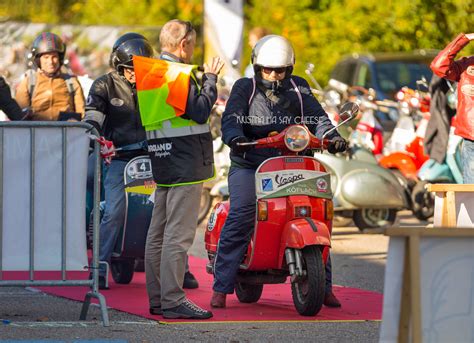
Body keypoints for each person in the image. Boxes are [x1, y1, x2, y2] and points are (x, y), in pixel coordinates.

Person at [210, 35, 347, 309]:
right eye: (267, 69)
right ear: (257, 66)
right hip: (252, 163)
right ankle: (222, 286)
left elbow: (317, 117)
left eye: (280, 70)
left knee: (316, 212)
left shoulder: (299, 88)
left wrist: (332, 136)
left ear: (290, 69)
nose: (273, 75)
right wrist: (235, 136)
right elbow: (233, 117)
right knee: (243, 211)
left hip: (293, 162)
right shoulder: (244, 87)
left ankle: (324, 284)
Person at [144, 19, 224, 320]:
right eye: (191, 43)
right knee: (177, 236)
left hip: (163, 160)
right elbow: (200, 110)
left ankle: (158, 298)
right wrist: (211, 78)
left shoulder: (151, 72)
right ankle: (173, 299)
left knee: (159, 234)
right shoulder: (175, 73)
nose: (192, 49)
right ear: (183, 44)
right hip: (185, 163)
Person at [83, 32, 155, 289]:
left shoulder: (157, 86)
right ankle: (99, 268)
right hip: (119, 159)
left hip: (153, 159)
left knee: (164, 213)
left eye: (140, 67)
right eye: (129, 68)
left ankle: (174, 271)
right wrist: (93, 131)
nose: (136, 73)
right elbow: (92, 118)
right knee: (114, 211)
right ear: (118, 66)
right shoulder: (103, 85)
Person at [431, 32, 474, 183]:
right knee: (471, 189)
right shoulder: (467, 65)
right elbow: (439, 66)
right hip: (471, 135)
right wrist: (463, 39)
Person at [15, 32, 85, 120]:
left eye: (54, 57)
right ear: (38, 60)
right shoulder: (28, 82)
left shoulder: (71, 82)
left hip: (66, 132)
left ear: (60, 58)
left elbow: (82, 115)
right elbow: (19, 115)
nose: (51, 62)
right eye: (46, 57)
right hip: (35, 132)